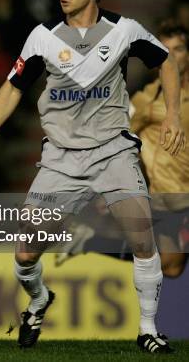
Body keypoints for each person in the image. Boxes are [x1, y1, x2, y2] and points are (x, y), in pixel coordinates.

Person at [0, 0, 184, 353]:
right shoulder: (43, 36)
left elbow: (165, 63)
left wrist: (173, 117)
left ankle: (148, 328)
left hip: (114, 151)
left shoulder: (124, 30)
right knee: (25, 253)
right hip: (61, 158)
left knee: (143, 238)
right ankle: (40, 299)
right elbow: (12, 88)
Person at [56, 20, 189, 278]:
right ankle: (91, 242)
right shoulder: (146, 100)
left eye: (179, 49)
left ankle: (92, 242)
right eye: (165, 49)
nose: (171, 56)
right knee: (170, 263)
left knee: (171, 264)